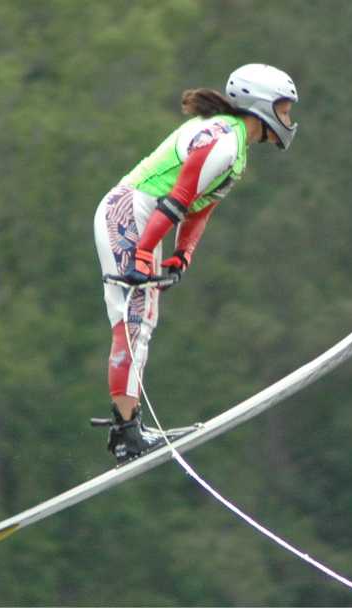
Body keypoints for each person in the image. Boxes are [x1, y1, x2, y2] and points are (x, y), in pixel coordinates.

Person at [93, 64, 298, 463]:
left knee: (142, 321)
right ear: (260, 104)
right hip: (129, 213)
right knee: (133, 321)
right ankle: (126, 435)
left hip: (144, 219)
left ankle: (130, 427)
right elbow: (180, 198)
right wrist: (143, 253)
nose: (288, 120)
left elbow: (200, 209)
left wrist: (183, 253)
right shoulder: (224, 141)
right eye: (284, 109)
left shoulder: (234, 145)